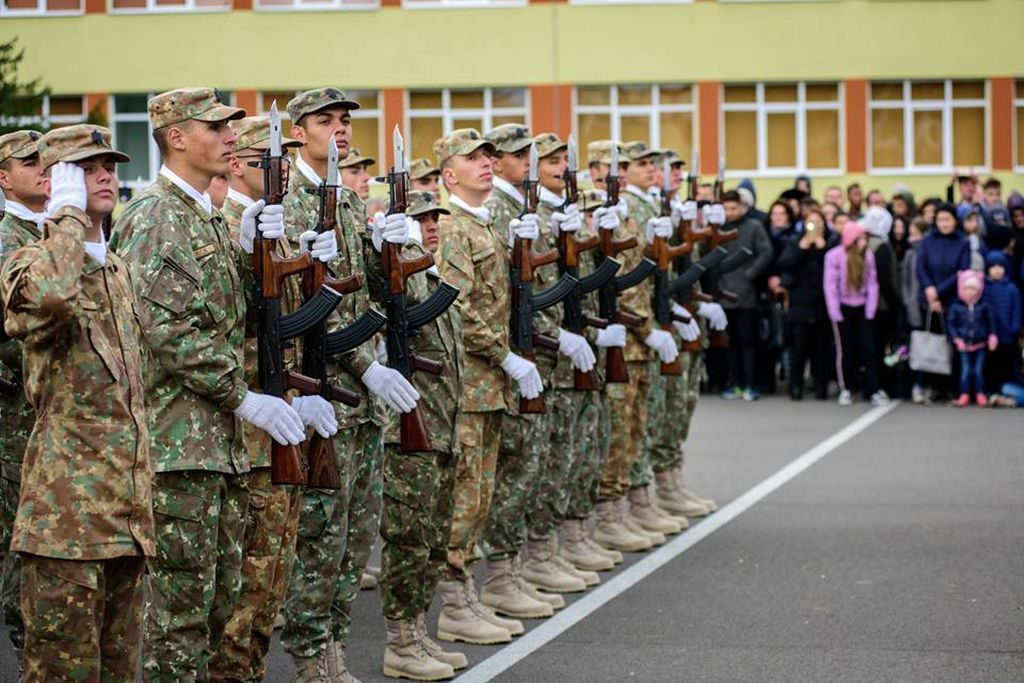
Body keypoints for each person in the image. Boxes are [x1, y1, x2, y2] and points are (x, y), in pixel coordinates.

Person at [111, 88, 309, 682]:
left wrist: (257, 255)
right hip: (178, 448)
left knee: (219, 606)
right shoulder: (155, 216)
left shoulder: (203, 216)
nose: (231, 138)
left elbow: (237, 318)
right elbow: (167, 332)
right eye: (216, 127)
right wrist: (244, 396)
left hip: (213, 445)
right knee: (179, 617)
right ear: (176, 137)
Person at [1, 125, 154, 682]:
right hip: (66, 527)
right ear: (56, 180)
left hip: (126, 518)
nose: (107, 174)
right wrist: (65, 218)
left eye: (109, 165)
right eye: (88, 168)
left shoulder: (117, 271)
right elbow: (51, 298)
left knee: (119, 672)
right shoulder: (26, 261)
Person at [276, 87, 416, 680]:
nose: (339, 129)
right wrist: (365, 366)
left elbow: (368, 293)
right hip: (318, 394)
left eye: (344, 120)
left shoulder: (353, 203)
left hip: (361, 404)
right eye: (324, 120)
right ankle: (311, 659)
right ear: (297, 131)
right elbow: (295, 306)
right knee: (319, 538)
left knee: (356, 537)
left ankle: (335, 649)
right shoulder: (288, 201)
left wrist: (393, 251)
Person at [208, 116, 339, 683]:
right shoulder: (224, 226)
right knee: (244, 587)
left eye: (286, 156)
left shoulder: (276, 225)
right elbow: (225, 328)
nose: (283, 166)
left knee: (270, 585)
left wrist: (308, 259)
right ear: (238, 165)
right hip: (248, 428)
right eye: (271, 157)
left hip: (282, 414)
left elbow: (288, 323)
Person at [434, 129, 541, 645]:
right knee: (465, 497)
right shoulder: (453, 228)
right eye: (472, 159)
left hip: (490, 383)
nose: (485, 164)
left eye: (487, 157)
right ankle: (454, 603)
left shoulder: (483, 224)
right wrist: (504, 356)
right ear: (449, 175)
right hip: (471, 384)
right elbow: (458, 307)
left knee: (481, 497)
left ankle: (471, 592)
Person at [378, 191, 467, 681]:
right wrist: (389, 254)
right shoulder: (402, 274)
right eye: (420, 218)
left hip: (441, 425)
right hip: (409, 429)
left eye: (435, 218)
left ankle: (418, 627)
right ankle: (399, 639)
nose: (430, 225)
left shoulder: (431, 275)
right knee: (407, 539)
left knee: (433, 539)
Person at [478, 123, 563, 623]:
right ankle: (501, 575)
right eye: (516, 153)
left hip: (531, 346)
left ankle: (521, 564)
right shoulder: (496, 211)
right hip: (507, 355)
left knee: (532, 462)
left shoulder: (517, 206)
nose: (526, 159)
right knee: (512, 470)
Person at [0, 129, 47, 660]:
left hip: (54, 421)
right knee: (25, 551)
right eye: (28, 161)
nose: (43, 168)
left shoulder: (57, 233)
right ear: (4, 177)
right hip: (18, 419)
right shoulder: (8, 242)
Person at [716, 190, 772, 401]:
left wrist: (750, 273)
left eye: (733, 208)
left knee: (748, 341)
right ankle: (735, 382)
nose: (729, 213)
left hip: (747, 295)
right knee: (731, 342)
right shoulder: (719, 229)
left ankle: (750, 384)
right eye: (726, 209)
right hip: (724, 294)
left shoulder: (754, 227)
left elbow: (766, 252)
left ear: (742, 207)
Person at [913, 203, 970, 404]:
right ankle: (925, 385)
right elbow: (921, 267)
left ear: (955, 221)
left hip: (952, 301)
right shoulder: (928, 241)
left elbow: (961, 272)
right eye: (940, 220)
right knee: (929, 343)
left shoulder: (962, 243)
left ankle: (949, 388)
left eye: (948, 219)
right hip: (928, 301)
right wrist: (930, 289)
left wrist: (939, 291)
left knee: (950, 346)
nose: (944, 223)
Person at [824, 222, 885, 406]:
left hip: (862, 307)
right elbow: (830, 286)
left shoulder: (867, 256)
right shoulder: (834, 256)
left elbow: (873, 284)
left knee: (869, 349)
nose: (864, 241)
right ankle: (846, 389)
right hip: (843, 308)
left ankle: (873, 389)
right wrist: (834, 312)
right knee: (845, 350)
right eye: (861, 238)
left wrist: (870, 310)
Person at [777, 209, 831, 400]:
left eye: (818, 222)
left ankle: (821, 386)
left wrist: (822, 249)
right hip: (800, 305)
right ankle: (795, 386)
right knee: (798, 350)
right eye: (810, 222)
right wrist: (802, 247)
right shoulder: (796, 241)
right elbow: (785, 264)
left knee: (821, 351)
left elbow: (833, 268)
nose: (814, 226)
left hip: (823, 305)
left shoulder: (830, 241)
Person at [947, 270, 997, 406]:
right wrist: (956, 338)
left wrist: (992, 336)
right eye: (967, 288)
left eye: (974, 288)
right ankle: (964, 394)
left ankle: (980, 393)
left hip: (980, 344)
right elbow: (951, 324)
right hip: (963, 345)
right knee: (965, 370)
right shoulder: (956, 306)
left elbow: (990, 322)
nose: (971, 291)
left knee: (978, 370)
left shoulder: (984, 306)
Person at [981, 251, 1022, 393]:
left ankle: (1005, 390)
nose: (997, 270)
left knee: (1007, 364)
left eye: (1000, 266)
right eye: (993, 266)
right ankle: (990, 390)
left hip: (1008, 335)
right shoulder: (984, 288)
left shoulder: (1012, 289)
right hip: (990, 335)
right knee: (991, 364)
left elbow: (1017, 310)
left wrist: (1014, 328)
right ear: (988, 269)